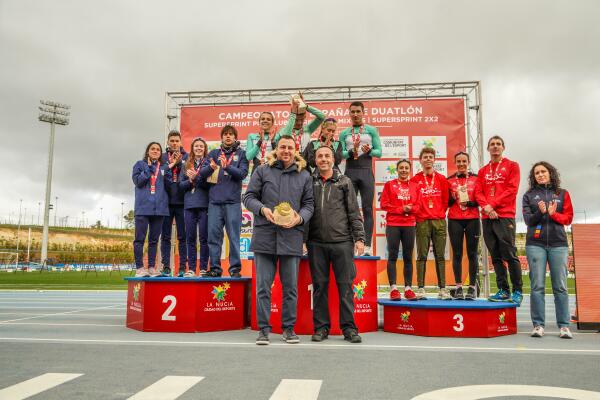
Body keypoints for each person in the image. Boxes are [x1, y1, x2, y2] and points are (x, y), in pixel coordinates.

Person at [243, 135, 314, 345]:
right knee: (264, 287)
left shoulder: (304, 175)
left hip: (291, 237)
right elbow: (248, 197)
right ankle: (264, 330)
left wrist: (299, 218)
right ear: (276, 149)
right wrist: (263, 210)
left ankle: (288, 329)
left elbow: (309, 204)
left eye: (290, 148)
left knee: (290, 287)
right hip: (265, 236)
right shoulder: (262, 170)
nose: (286, 151)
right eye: (282, 147)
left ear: (296, 150)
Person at [308, 145, 365, 344]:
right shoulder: (309, 181)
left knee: (345, 288)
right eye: (320, 156)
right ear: (315, 160)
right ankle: (321, 328)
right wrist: (302, 240)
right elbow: (305, 213)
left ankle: (349, 328)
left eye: (327, 156)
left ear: (334, 159)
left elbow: (353, 212)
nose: (323, 159)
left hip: (342, 243)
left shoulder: (345, 181)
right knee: (320, 288)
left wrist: (359, 238)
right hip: (316, 243)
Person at [523, 161, 574, 339]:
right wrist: (540, 212)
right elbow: (528, 220)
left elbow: (568, 218)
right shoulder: (529, 195)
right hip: (535, 245)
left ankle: (564, 326)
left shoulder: (562, 194)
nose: (540, 174)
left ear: (550, 173)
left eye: (543, 171)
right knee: (537, 286)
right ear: (533, 176)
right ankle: (538, 325)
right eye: (537, 173)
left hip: (558, 244)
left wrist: (553, 215)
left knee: (560, 286)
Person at [475, 135, 524, 305]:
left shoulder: (512, 166)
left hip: (505, 215)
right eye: (492, 144)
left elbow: (512, 189)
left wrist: (492, 205)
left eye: (498, 144)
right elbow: (478, 192)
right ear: (488, 148)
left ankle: (517, 290)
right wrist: (486, 208)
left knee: (509, 254)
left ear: (503, 147)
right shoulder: (482, 171)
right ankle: (503, 289)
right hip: (487, 217)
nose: (495, 147)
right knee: (495, 255)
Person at [200, 125, 249, 278]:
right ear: (221, 137)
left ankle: (234, 269)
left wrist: (227, 166)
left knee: (234, 237)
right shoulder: (214, 153)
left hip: (233, 203)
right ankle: (215, 268)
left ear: (235, 137)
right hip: (214, 203)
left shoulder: (242, 154)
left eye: (231, 134)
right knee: (214, 237)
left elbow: (242, 173)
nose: (228, 137)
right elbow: (202, 174)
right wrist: (211, 167)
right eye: (225, 134)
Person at [339, 101, 382, 255]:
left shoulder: (371, 130)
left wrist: (369, 150)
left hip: (366, 171)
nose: (355, 114)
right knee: (348, 209)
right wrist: (351, 152)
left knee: (368, 208)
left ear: (363, 112)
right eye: (353, 112)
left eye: (358, 111)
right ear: (349, 113)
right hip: (350, 171)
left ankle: (368, 245)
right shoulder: (344, 133)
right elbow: (340, 154)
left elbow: (379, 152)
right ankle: (350, 243)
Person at [410, 147, 451, 300]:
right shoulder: (415, 180)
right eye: (425, 157)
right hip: (422, 221)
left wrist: (439, 213)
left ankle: (443, 289)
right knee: (422, 256)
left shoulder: (441, 179)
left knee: (440, 256)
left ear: (434, 160)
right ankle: (420, 288)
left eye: (430, 157)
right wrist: (421, 214)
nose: (428, 159)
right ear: (420, 160)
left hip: (439, 221)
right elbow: (413, 200)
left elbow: (446, 201)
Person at [380, 159, 420, 301]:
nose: (403, 170)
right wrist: (401, 209)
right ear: (397, 170)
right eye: (401, 168)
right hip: (393, 224)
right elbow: (383, 204)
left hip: (409, 224)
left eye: (406, 168)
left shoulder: (415, 186)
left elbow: (418, 206)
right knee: (393, 256)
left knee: (408, 257)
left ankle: (408, 288)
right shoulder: (389, 185)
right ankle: (394, 289)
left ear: (409, 170)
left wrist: (411, 209)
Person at [132, 142, 171, 277]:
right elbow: (138, 182)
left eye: (158, 150)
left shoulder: (163, 168)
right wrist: (148, 169)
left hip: (159, 209)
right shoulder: (139, 165)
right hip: (143, 208)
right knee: (139, 239)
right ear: (148, 151)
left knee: (154, 240)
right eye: (152, 149)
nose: (155, 151)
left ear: (161, 153)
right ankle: (139, 268)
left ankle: (151, 268)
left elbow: (169, 185)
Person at [447, 152, 480, 300]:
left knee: (472, 254)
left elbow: (481, 199)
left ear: (468, 162)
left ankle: (472, 287)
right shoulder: (449, 180)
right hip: (455, 219)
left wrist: (471, 204)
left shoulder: (476, 179)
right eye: (458, 161)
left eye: (464, 161)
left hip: (472, 218)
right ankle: (458, 286)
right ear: (455, 162)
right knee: (458, 254)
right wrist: (452, 199)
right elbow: (445, 203)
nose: (461, 164)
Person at [180, 137, 210, 277]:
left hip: (204, 205)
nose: (199, 148)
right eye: (196, 146)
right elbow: (180, 186)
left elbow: (210, 185)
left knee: (204, 238)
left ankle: (203, 268)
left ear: (205, 149)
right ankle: (191, 268)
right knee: (190, 238)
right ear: (192, 149)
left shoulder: (209, 164)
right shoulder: (186, 164)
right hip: (189, 205)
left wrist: (196, 178)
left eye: (201, 146)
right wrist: (190, 180)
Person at [159, 130, 188, 276]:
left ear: (181, 142)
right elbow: (158, 176)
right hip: (166, 202)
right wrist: (171, 164)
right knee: (165, 236)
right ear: (168, 142)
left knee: (182, 236)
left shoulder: (187, 156)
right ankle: (166, 266)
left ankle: (182, 267)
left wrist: (179, 163)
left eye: (177, 141)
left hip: (183, 202)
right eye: (172, 141)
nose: (175, 143)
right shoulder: (162, 157)